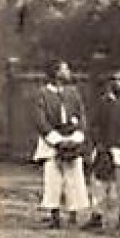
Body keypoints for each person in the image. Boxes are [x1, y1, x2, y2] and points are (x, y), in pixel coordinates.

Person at [33, 59, 90, 229]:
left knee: (74, 177)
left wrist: (77, 135)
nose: (68, 72)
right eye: (65, 69)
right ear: (55, 72)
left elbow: (81, 114)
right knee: (53, 178)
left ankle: (73, 214)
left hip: (72, 137)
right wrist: (56, 140)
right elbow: (40, 119)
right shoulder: (43, 93)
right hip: (52, 141)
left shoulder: (73, 92)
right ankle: (54, 214)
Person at [91, 70, 120, 231]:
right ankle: (97, 215)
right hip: (105, 147)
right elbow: (96, 124)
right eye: (114, 80)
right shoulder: (104, 102)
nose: (118, 83)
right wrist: (98, 143)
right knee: (100, 184)